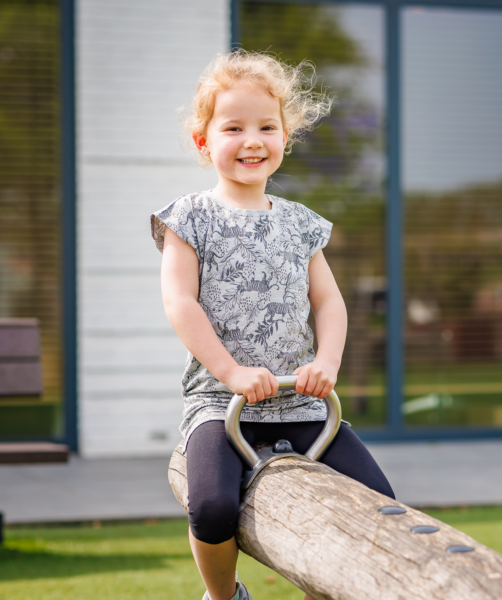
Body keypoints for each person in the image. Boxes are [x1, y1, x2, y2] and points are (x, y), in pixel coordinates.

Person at [150, 50, 394, 600]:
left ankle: (324, 591)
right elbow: (180, 302)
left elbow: (329, 302)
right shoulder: (190, 217)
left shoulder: (300, 223)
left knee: (379, 502)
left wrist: (325, 363)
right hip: (221, 399)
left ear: (285, 136)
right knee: (212, 508)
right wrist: (232, 372)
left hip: (300, 401)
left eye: (267, 126)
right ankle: (223, 595)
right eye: (233, 127)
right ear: (203, 142)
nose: (252, 140)